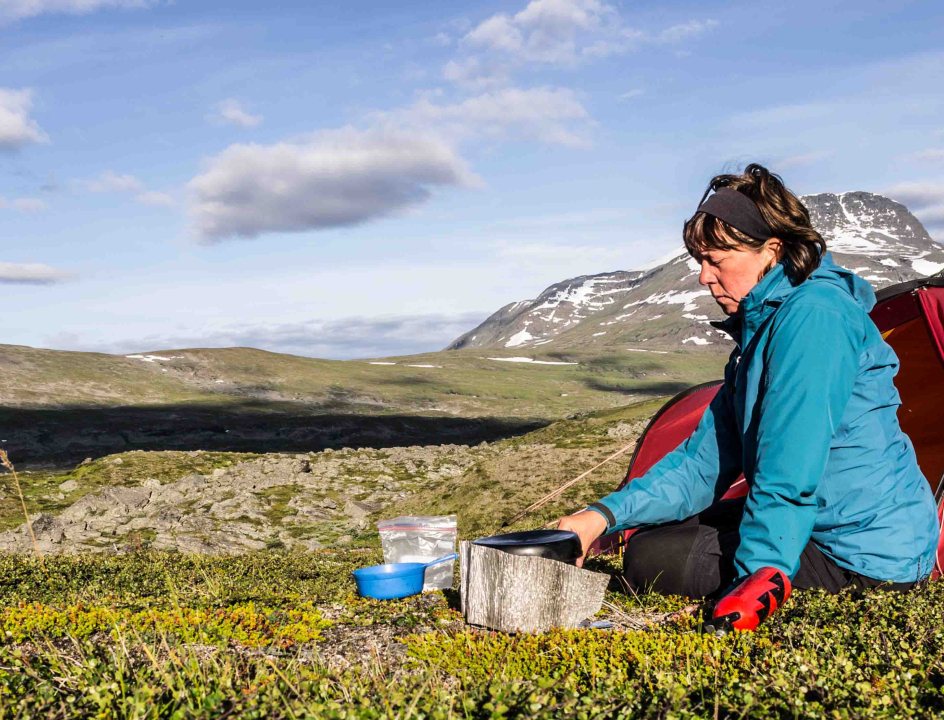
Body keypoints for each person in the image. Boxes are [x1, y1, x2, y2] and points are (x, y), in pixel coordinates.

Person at [557, 164, 938, 619]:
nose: (703, 277)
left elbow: (788, 469)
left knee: (653, 560)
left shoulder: (814, 317)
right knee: (653, 536)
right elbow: (703, 464)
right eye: (700, 261)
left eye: (716, 260)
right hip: (819, 525)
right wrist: (601, 516)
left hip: (867, 554)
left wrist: (759, 580)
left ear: (771, 250)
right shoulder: (761, 330)